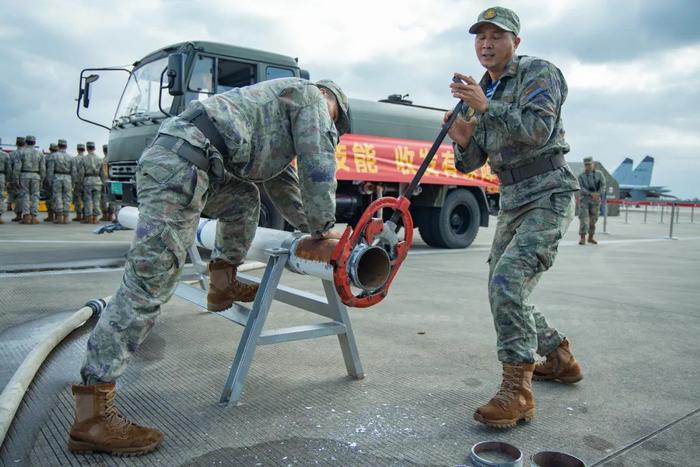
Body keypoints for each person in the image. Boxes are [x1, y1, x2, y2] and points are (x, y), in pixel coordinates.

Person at [69, 78, 349, 456]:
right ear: (334, 105)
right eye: (336, 123)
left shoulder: (281, 109)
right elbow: (318, 167)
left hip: (189, 163)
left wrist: (311, 229)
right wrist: (323, 226)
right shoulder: (313, 99)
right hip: (181, 168)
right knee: (148, 286)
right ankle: (92, 417)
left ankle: (223, 284)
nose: (331, 129)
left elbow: (284, 185)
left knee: (244, 198)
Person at [446, 6, 583, 429]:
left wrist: (487, 107)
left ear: (515, 43)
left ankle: (517, 391)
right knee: (501, 287)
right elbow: (471, 164)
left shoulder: (539, 73)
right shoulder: (479, 93)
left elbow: (539, 130)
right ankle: (558, 355)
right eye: (480, 37)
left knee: (508, 281)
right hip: (512, 196)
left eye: (496, 36)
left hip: (550, 191)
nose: (486, 44)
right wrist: (463, 139)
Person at [12, 135, 45, 224]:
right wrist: (42, 179)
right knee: (35, 196)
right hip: (36, 176)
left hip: (24, 175)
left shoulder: (21, 153)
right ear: (34, 143)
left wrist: (16, 179)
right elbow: (42, 169)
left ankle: (26, 216)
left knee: (24, 195)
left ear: (26, 142)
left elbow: (17, 167)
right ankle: (34, 217)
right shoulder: (40, 154)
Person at [577, 156, 606, 245]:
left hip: (596, 200)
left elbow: (603, 186)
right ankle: (582, 238)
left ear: (593, 164)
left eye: (589, 164)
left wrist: (598, 193)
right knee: (584, 219)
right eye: (586, 165)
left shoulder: (599, 174)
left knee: (593, 220)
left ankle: (590, 237)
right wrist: (590, 194)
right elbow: (580, 187)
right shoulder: (581, 176)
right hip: (585, 200)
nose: (588, 166)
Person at [48, 139, 77, 224]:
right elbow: (74, 171)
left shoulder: (54, 156)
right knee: (67, 197)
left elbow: (50, 170)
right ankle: (66, 217)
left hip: (57, 177)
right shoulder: (71, 157)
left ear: (58, 146)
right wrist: (73, 182)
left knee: (57, 197)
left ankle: (59, 216)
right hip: (68, 178)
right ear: (66, 146)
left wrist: (49, 180)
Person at [79, 141, 104, 224]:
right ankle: (95, 218)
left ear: (87, 148)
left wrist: (80, 181)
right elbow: (102, 173)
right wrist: (103, 183)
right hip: (97, 181)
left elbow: (81, 173)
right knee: (97, 200)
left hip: (87, 181)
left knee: (88, 200)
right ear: (94, 148)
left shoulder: (83, 159)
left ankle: (88, 218)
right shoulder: (100, 159)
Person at [9, 136, 26, 222]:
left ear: (16, 143)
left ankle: (19, 215)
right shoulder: (27, 153)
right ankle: (26, 215)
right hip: (27, 177)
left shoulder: (12, 154)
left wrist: (11, 179)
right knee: (26, 196)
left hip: (16, 177)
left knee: (17, 197)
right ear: (25, 143)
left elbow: (10, 168)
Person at [43, 143, 59, 222]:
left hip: (49, 179)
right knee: (57, 197)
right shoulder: (60, 157)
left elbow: (44, 169)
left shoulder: (47, 158)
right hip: (59, 179)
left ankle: (50, 216)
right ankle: (57, 216)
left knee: (49, 198)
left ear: (50, 149)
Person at [100, 144, 116, 222]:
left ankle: (105, 214)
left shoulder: (102, 160)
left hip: (104, 181)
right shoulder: (114, 159)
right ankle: (111, 215)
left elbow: (100, 172)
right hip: (113, 181)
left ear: (103, 151)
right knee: (113, 198)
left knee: (103, 198)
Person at [72, 143, 86, 221]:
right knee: (86, 199)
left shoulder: (74, 159)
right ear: (84, 150)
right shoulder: (86, 158)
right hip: (86, 181)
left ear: (77, 150)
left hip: (78, 182)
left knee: (77, 199)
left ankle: (78, 215)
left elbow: (74, 171)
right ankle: (85, 214)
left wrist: (73, 182)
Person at [0, 140, 9, 224]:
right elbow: (8, 169)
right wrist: (8, 180)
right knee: (1, 197)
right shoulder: (5, 155)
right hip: (1, 176)